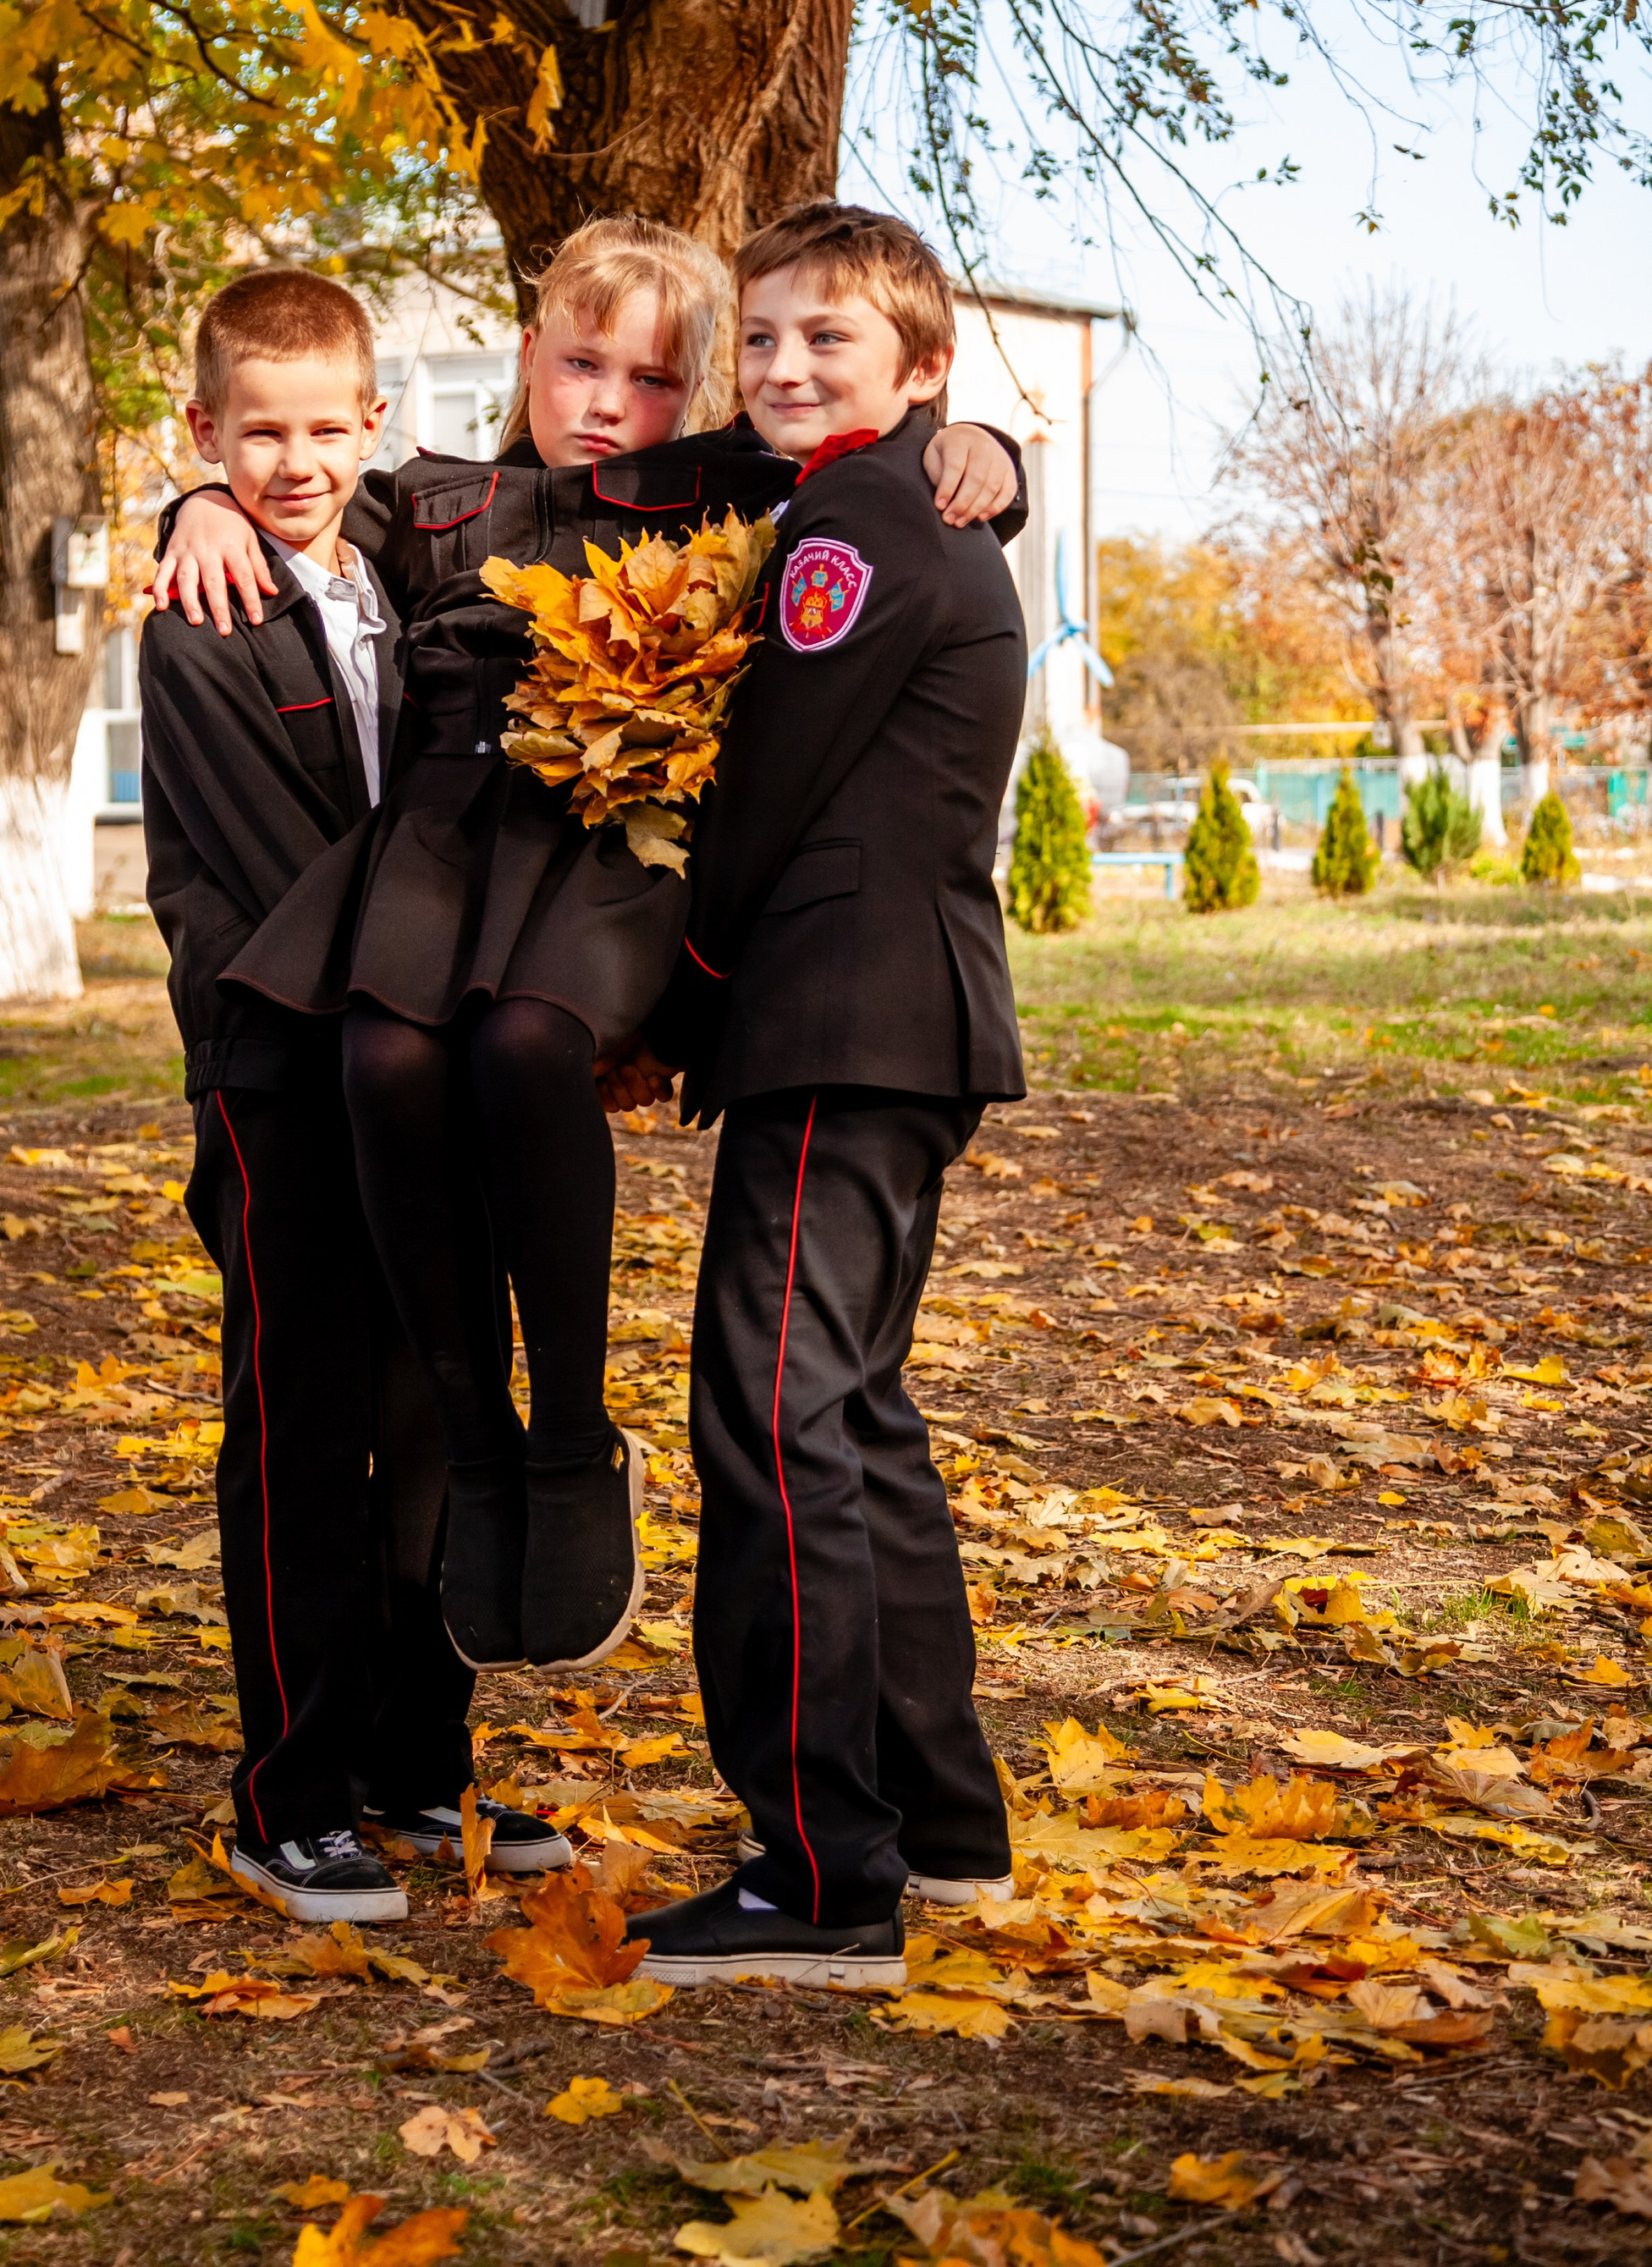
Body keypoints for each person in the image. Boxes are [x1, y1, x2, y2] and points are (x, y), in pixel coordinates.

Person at [151, 218, 1025, 1681]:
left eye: (652, 377)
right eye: (579, 364)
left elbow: (872, 481)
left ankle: (568, 1429)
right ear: (529, 358)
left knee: (528, 1046)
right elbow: (296, 499)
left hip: (606, 845)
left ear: (698, 397)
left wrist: (983, 443)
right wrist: (197, 504)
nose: (608, 401)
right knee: (381, 1053)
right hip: (441, 846)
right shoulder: (433, 501)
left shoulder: (735, 493)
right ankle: (477, 1431)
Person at [627, 203, 1027, 1994]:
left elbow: (764, 792)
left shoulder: (854, 527)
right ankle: (937, 1827)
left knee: (772, 1425)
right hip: (901, 1026)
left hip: (833, 1018)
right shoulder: (858, 493)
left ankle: (815, 1872)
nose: (781, 370)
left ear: (921, 371)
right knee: (850, 1418)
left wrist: (676, 991)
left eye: (827, 345)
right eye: (761, 339)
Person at [138, 266, 570, 1921]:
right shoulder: (200, 633)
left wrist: (969, 451)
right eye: (254, 438)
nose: (294, 462)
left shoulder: (415, 556)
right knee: (307, 1437)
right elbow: (291, 880)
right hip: (287, 1081)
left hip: (429, 1075)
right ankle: (290, 1791)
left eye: (327, 428)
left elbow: (592, 482)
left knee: (438, 1420)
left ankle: (416, 1766)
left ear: (376, 430)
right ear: (204, 432)